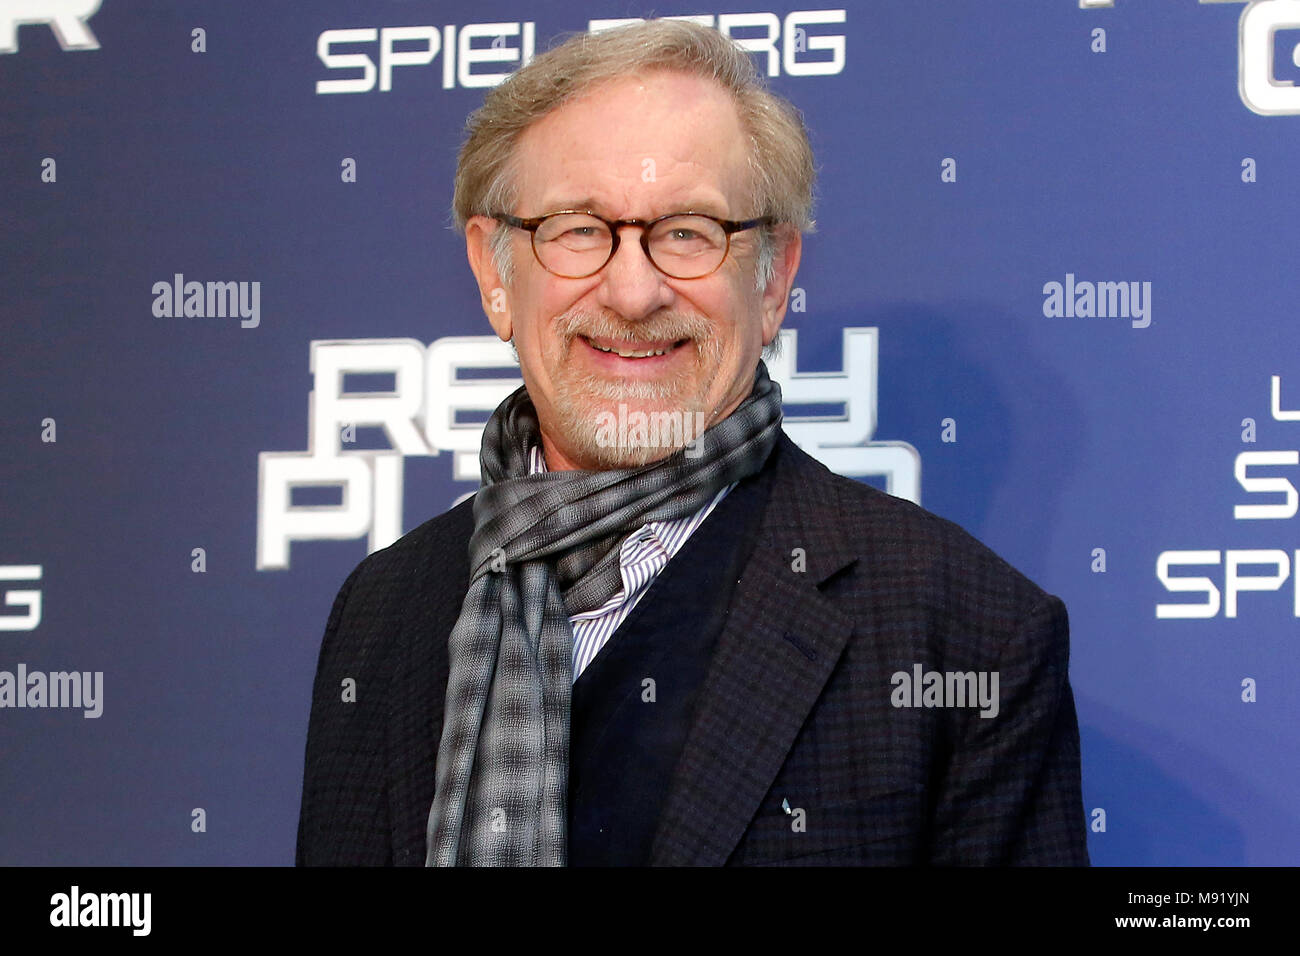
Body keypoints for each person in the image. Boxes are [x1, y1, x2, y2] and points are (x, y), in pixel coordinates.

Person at [296, 18, 1089, 867]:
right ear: (496, 274)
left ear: (774, 276)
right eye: (576, 229)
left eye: (687, 232)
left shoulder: (966, 632)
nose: (633, 292)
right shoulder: (380, 611)